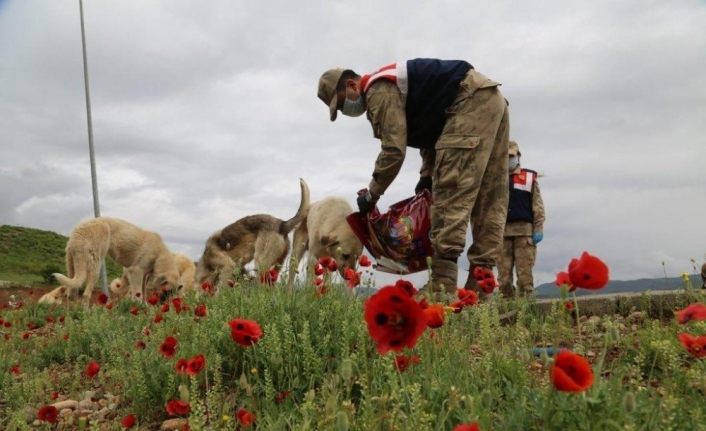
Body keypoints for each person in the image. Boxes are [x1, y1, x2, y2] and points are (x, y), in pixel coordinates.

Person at [317, 58, 509, 300]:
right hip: (490, 98)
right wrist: (427, 175)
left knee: (450, 191)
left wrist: (372, 193)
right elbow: (434, 129)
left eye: (342, 104)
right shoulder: (394, 85)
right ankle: (481, 286)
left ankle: (442, 285)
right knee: (490, 196)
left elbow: (393, 150)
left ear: (353, 85)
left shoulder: (377, 90)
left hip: (468, 101)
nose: (346, 111)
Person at [495, 141, 545, 297]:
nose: (509, 159)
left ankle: (528, 309)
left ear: (518, 156)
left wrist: (538, 228)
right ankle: (507, 311)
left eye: (511, 156)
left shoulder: (529, 177)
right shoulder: (495, 179)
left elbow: (538, 206)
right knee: (503, 279)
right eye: (506, 156)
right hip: (502, 233)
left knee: (525, 277)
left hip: (524, 233)